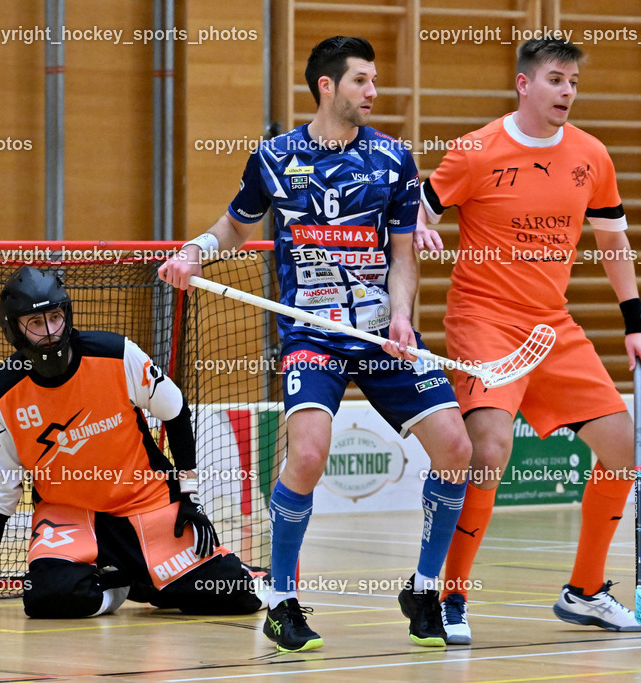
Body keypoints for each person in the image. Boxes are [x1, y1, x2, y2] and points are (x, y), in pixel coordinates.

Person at [159, 36, 471, 651]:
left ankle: (425, 587)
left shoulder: (394, 159)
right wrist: (198, 250)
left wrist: (404, 318)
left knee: (457, 448)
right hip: (311, 333)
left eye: (374, 80)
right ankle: (281, 601)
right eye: (361, 81)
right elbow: (234, 223)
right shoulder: (275, 158)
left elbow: (404, 250)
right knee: (305, 456)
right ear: (327, 87)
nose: (373, 92)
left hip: (383, 333)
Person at [414, 38, 641, 645]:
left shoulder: (592, 156)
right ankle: (452, 596)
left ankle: (586, 591)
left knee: (624, 449)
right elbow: (417, 214)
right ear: (524, 85)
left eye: (573, 82)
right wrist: (420, 234)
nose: (567, 92)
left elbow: (611, 241)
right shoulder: (476, 150)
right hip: (484, 320)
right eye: (556, 80)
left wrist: (635, 322)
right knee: (489, 451)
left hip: (553, 326)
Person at [0, 266, 266, 620]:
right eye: (35, 323)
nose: (50, 333)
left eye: (55, 318)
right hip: (67, 514)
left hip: (145, 503)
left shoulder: (117, 354)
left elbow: (176, 410)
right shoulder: (3, 393)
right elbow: (0, 489)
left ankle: (196, 577)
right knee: (46, 599)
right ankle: (126, 581)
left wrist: (189, 495)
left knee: (230, 594)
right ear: (14, 329)